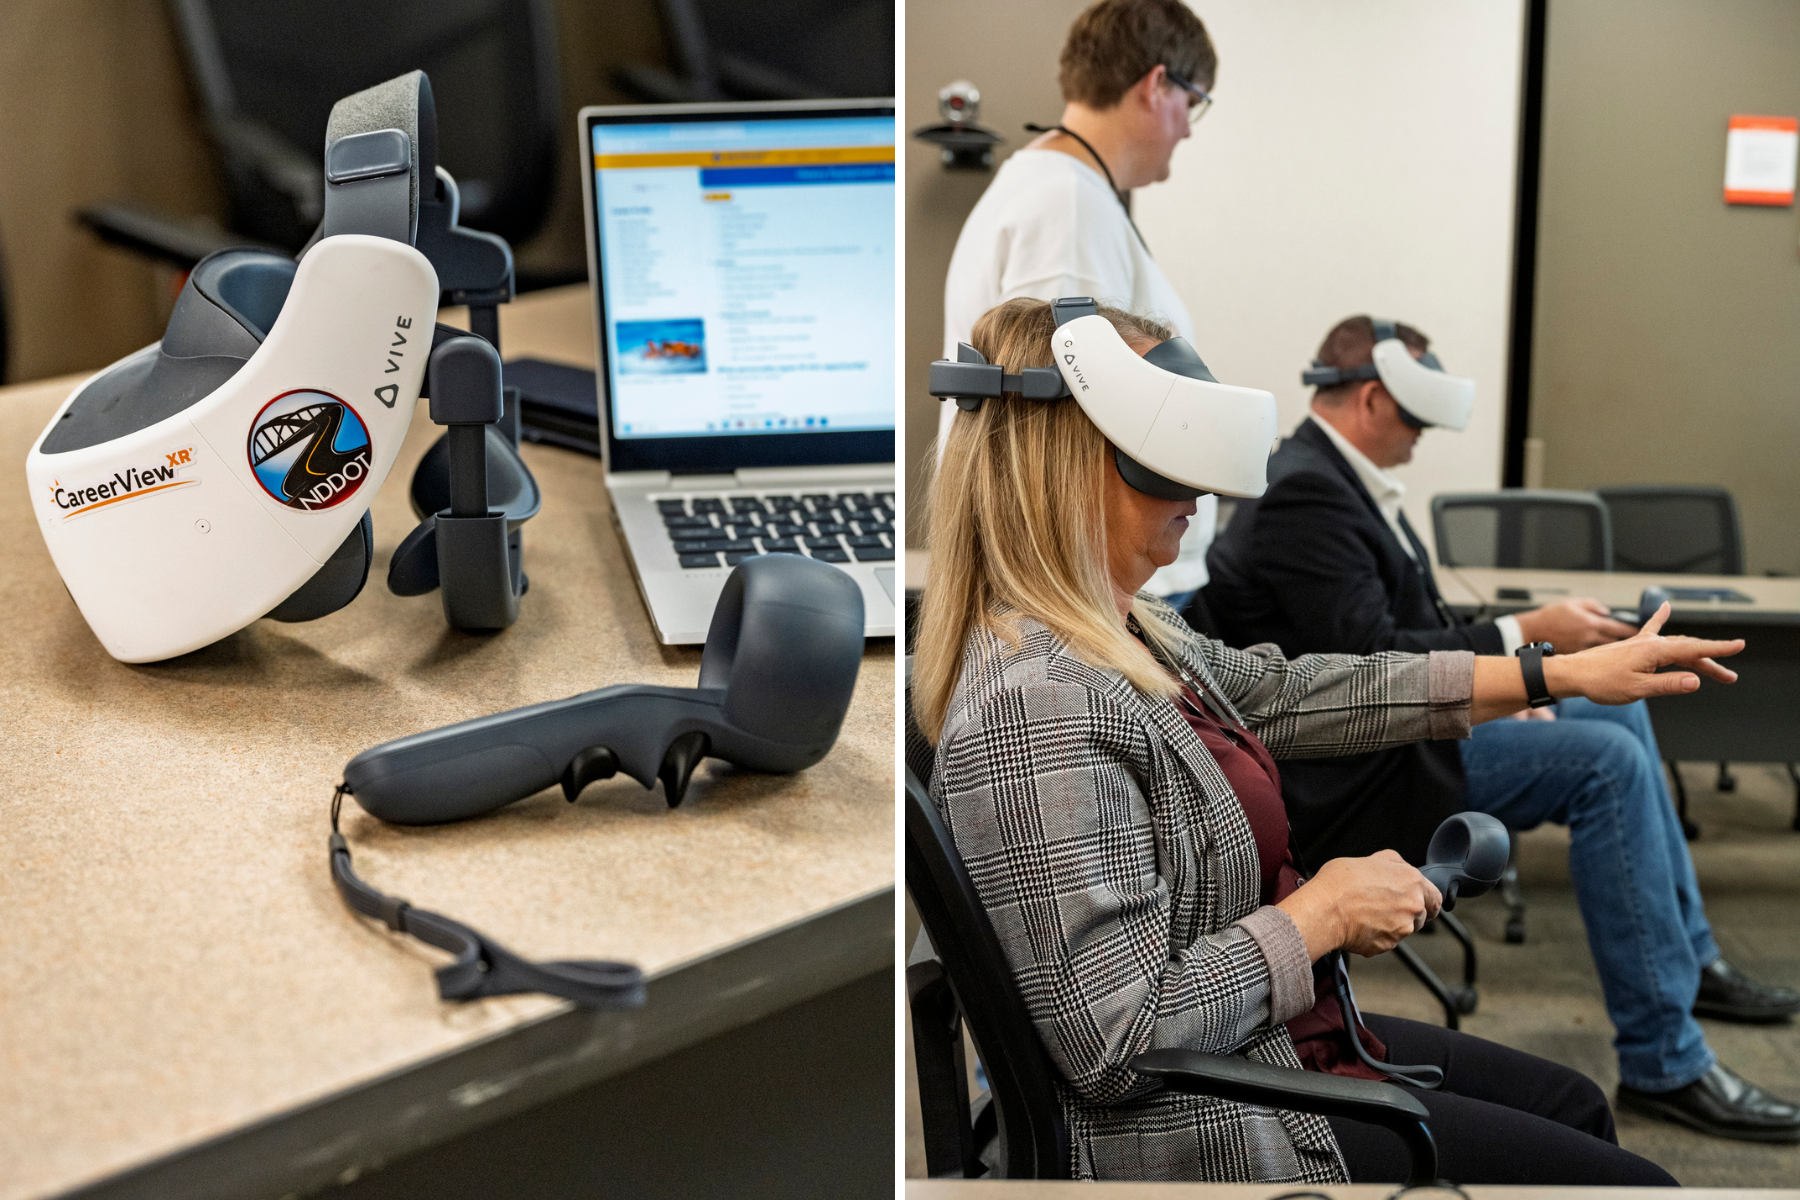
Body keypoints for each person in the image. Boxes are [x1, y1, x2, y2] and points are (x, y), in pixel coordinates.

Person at [913, 297, 1744, 1183]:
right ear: (1068, 463)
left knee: (1574, 1105)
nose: (1198, 494)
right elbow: (1117, 1044)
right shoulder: (1036, 705)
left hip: (1276, 1041)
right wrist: (1322, 914)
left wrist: (1552, 674)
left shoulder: (1127, 629)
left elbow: (1292, 688)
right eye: (1166, 462)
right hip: (1207, 1121)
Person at [1200, 314, 1800, 1143]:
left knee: (1614, 707)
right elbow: (1368, 660)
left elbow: (1397, 633)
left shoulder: (1338, 476)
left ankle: (1689, 962)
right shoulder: (1308, 490)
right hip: (1362, 760)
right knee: (1604, 766)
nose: (1419, 439)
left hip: (1391, 725)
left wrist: (1525, 675)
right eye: (1414, 419)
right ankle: (1667, 1059)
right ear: (1372, 398)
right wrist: (1523, 646)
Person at [940, 0, 1217, 598]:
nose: (1190, 128)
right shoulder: (1066, 205)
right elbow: (1059, 432)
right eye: (1191, 103)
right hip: (1094, 588)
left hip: (1109, 580)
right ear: (1157, 84)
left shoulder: (1063, 192)